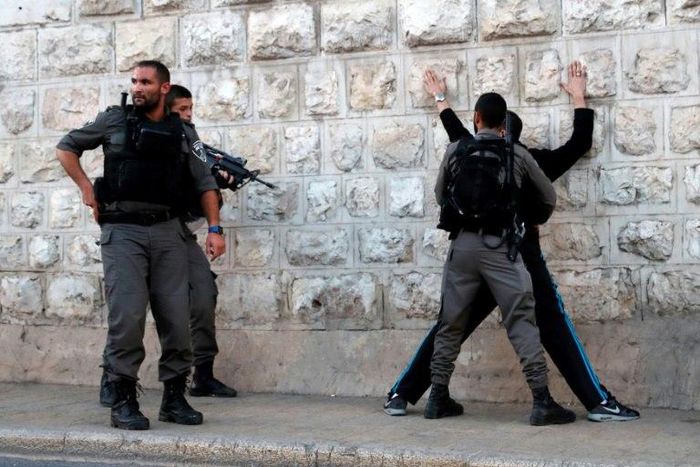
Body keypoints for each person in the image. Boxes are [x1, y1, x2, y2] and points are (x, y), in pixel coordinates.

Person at [384, 62, 640, 423]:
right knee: (552, 324)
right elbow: (579, 145)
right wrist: (580, 97)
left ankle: (402, 393)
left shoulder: (468, 151)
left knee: (449, 324)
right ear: (510, 130)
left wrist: (440, 98)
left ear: (484, 124)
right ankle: (595, 402)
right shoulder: (530, 159)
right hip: (518, 257)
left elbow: (455, 132)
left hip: (470, 253)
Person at [57, 60, 225, 430]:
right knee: (128, 317)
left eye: (145, 82)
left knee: (177, 319)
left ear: (164, 88)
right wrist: (87, 189)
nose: (137, 87)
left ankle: (174, 398)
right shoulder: (114, 120)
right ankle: (123, 399)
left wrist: (214, 228)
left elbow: (205, 182)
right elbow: (67, 147)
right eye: (134, 81)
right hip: (123, 232)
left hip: (168, 231)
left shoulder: (184, 132)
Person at [422, 90, 574, 425]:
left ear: (476, 118)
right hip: (501, 249)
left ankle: (437, 396)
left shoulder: (456, 149)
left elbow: (438, 195)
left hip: (460, 247)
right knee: (521, 320)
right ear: (503, 122)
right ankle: (542, 401)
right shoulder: (516, 153)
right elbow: (547, 198)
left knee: (450, 321)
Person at [98, 84, 238, 406]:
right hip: (136, 231)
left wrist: (218, 184)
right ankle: (112, 377)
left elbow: (203, 181)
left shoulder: (192, 138)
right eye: (182, 110)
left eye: (191, 109)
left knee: (203, 293)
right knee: (128, 309)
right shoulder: (139, 132)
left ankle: (201, 372)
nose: (188, 116)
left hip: (178, 232)